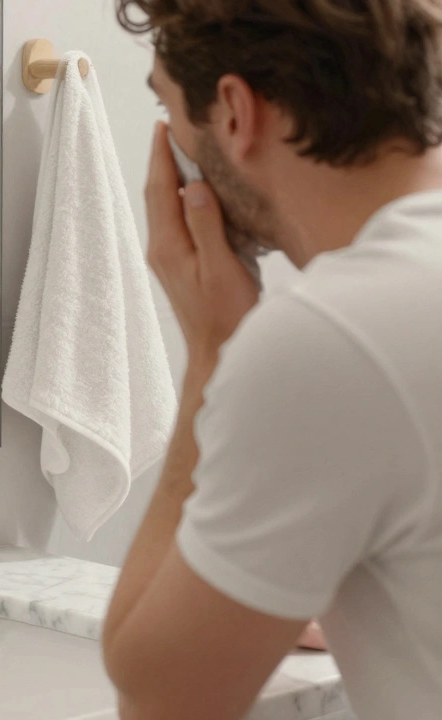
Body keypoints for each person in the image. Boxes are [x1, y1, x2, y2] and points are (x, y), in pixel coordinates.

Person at [101, 2, 442, 718]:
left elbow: (162, 700)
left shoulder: (334, 337)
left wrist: (211, 354)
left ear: (233, 112)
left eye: (167, 110)